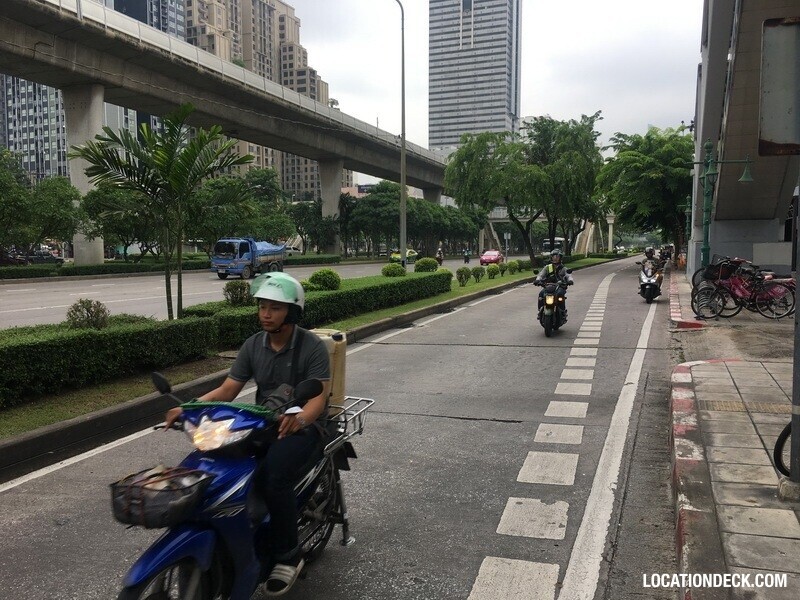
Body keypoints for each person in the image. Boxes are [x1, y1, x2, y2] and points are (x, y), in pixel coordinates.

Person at [164, 272, 331, 596]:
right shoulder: (253, 344)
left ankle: (287, 555)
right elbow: (228, 389)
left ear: (292, 312)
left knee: (273, 476)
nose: (266, 314)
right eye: (262, 307)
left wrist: (300, 419)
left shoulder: (311, 346)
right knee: (214, 465)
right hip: (262, 422)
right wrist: (190, 407)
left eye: (275, 308)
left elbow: (318, 398)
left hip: (304, 428)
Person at [534, 249, 574, 317]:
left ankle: (562, 311)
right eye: (553, 256)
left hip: (560, 286)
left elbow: (568, 275)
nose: (555, 258)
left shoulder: (563, 268)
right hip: (548, 286)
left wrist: (570, 281)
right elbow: (541, 275)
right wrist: (537, 280)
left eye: (557, 256)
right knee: (541, 294)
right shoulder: (547, 267)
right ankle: (540, 310)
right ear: (551, 257)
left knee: (560, 295)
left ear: (560, 258)